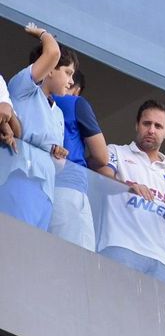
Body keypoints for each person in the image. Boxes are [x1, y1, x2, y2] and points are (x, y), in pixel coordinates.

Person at [97, 99, 165, 284]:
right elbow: (101, 179)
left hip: (162, 260)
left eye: (158, 126)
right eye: (146, 123)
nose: (151, 130)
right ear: (137, 125)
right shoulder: (116, 151)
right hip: (121, 246)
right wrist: (128, 187)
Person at [0, 24, 72, 231]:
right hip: (21, 178)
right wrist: (42, 34)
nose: (71, 81)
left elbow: (58, 166)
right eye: (67, 72)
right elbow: (53, 52)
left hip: (46, 191)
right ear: (49, 71)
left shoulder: (58, 113)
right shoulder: (24, 88)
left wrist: (58, 155)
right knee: (14, 245)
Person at [50, 69, 109, 251]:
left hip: (42, 186)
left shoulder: (32, 99)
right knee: (76, 260)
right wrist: (84, 162)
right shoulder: (75, 102)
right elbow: (102, 157)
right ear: (76, 88)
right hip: (70, 187)